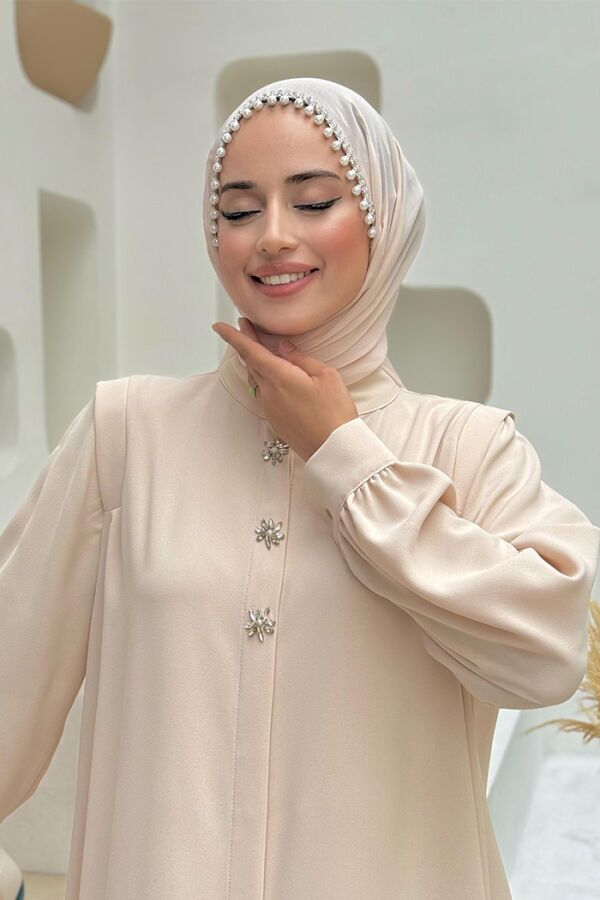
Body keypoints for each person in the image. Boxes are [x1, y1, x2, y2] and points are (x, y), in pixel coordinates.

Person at [0, 76, 598, 899]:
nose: (273, 237)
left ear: (384, 220)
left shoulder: (468, 449)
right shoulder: (126, 435)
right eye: (239, 211)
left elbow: (546, 656)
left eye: (314, 202)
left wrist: (345, 457)